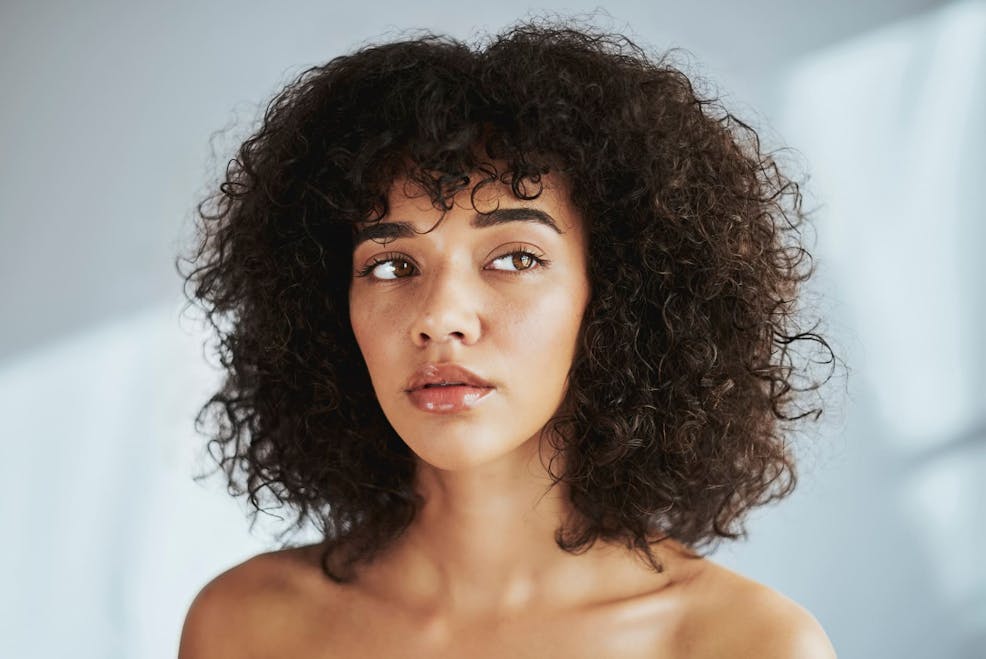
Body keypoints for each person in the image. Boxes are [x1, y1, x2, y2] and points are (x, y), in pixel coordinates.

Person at [177, 20, 837, 658]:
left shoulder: (746, 645)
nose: (442, 316)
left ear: (614, 294)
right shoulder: (246, 628)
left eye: (516, 257)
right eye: (390, 265)